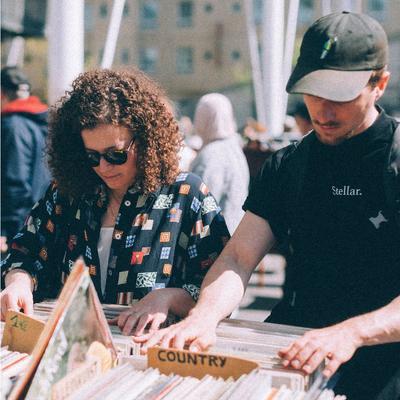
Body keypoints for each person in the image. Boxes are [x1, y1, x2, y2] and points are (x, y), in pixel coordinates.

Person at [135, 12, 400, 400]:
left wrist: (352, 332)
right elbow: (238, 258)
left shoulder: (394, 160)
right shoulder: (288, 165)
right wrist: (205, 316)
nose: (323, 111)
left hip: (382, 364)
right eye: (313, 92)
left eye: (341, 96)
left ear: (380, 84)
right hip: (293, 352)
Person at [0, 68, 230, 336]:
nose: (103, 167)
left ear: (146, 140)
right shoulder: (68, 193)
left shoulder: (186, 195)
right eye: (91, 156)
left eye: (116, 154)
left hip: (151, 349)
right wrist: (18, 282)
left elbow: (220, 285)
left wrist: (171, 298)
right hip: (73, 346)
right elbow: (25, 251)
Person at [1, 66, 51, 252]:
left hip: (19, 223)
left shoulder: (12, 126)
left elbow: (15, 181)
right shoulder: (43, 121)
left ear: (2, 94)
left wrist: (4, 229)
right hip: (45, 216)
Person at [190, 93, 250, 234]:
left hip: (215, 237)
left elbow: (200, 205)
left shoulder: (211, 155)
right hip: (235, 230)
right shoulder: (235, 148)